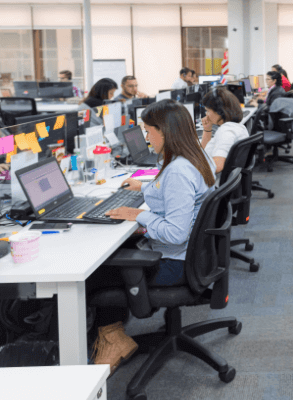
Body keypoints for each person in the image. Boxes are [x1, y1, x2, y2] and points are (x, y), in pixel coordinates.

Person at [88, 99, 216, 374]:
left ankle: (113, 340)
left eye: (149, 131)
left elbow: (176, 232)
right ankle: (115, 335)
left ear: (166, 132)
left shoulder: (178, 171)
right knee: (119, 248)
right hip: (195, 256)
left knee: (95, 274)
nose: (146, 138)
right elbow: (177, 199)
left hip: (174, 263)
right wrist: (147, 189)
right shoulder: (196, 155)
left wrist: (140, 217)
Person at [200, 86, 250, 173]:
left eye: (208, 111)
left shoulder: (226, 132)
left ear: (220, 111)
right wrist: (207, 130)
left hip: (213, 181)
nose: (206, 115)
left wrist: (191, 169)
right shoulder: (237, 127)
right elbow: (203, 152)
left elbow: (217, 166)